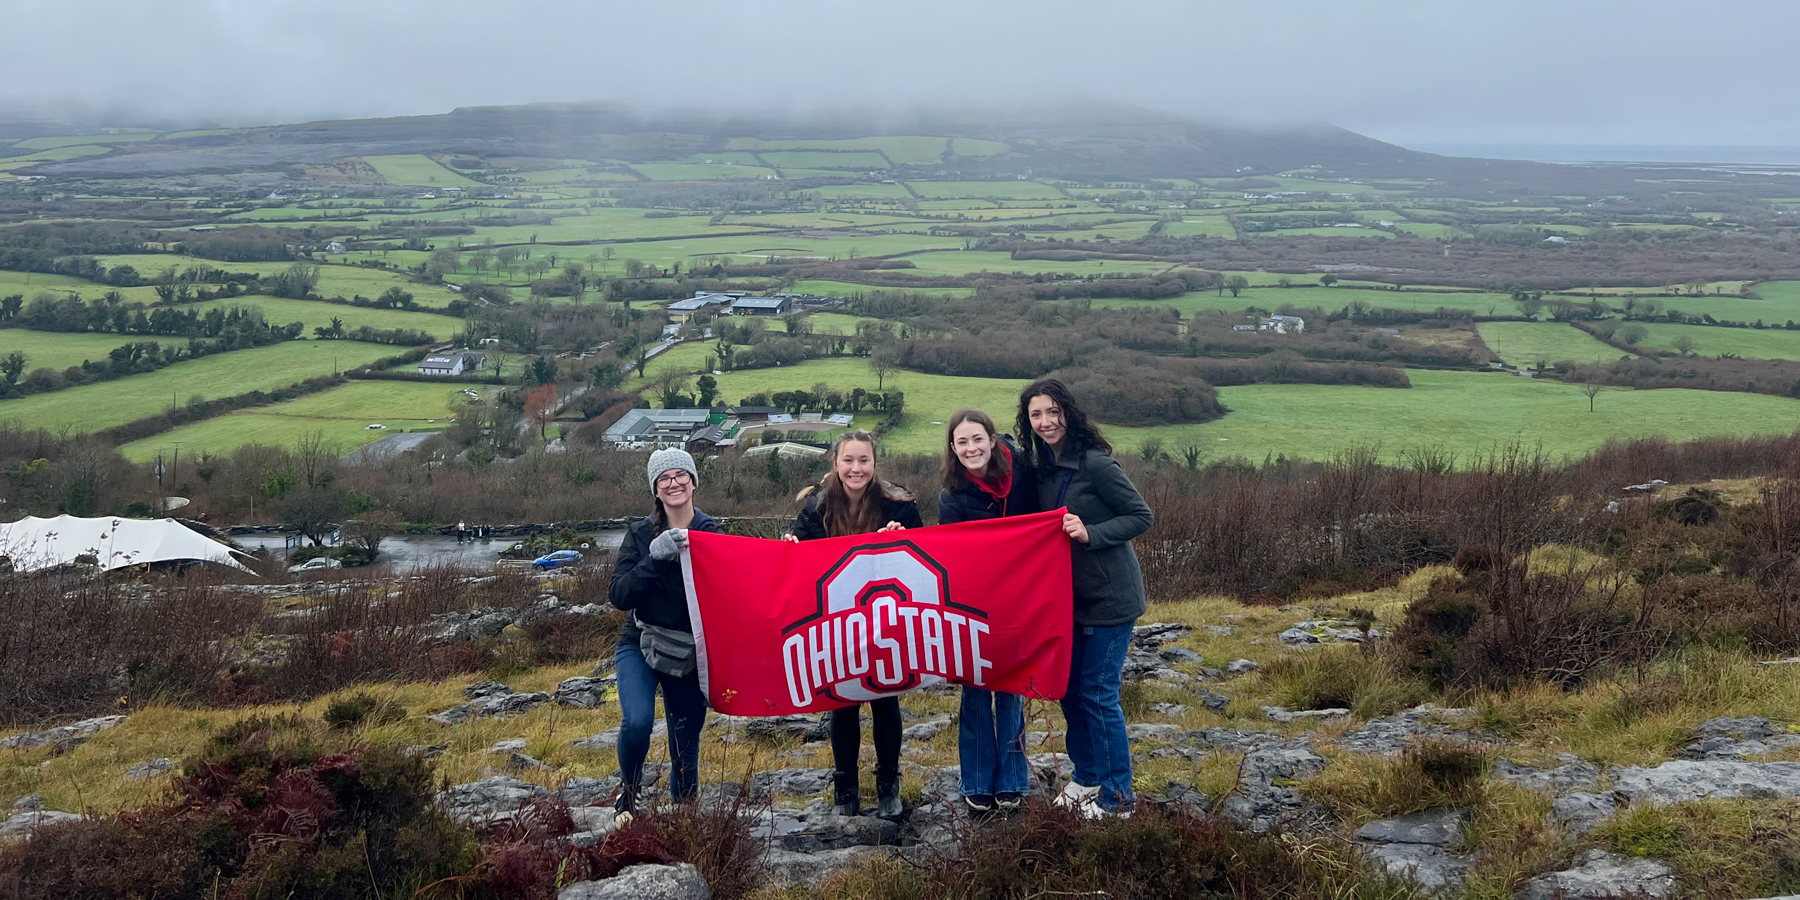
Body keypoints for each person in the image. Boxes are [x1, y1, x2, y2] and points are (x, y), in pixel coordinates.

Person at [1016, 378, 1153, 817]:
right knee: (1071, 692)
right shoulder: (1041, 468)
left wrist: (1091, 533)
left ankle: (1118, 798)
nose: (1045, 422)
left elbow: (1140, 515)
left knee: (1097, 694)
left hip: (1111, 600)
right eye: (1036, 414)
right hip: (1067, 603)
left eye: (1052, 412)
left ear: (1068, 413)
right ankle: (1088, 776)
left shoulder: (1096, 465)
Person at [786, 429, 923, 818]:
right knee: (841, 702)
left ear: (875, 464)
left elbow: (924, 559)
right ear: (835, 463)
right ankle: (845, 786)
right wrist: (792, 550)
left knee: (885, 698)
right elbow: (800, 561)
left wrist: (903, 539)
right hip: (837, 623)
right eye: (848, 460)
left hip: (886, 621)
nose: (856, 468)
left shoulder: (900, 506)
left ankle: (888, 785)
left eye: (863, 460)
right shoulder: (815, 507)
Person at [607, 447, 720, 824]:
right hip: (639, 642)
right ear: (656, 490)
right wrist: (654, 557)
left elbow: (737, 587)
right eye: (664, 479)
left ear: (693, 482)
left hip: (689, 651)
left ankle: (684, 811)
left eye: (680, 475)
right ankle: (628, 792)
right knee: (637, 721)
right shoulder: (639, 535)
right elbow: (619, 595)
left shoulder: (712, 533)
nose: (673, 483)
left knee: (685, 736)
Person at [937, 409, 1038, 815]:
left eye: (977, 439)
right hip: (974, 601)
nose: (971, 448)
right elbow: (953, 553)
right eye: (962, 442)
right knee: (976, 688)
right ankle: (977, 780)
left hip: (1021, 596)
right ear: (953, 449)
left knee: (1011, 687)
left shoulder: (1025, 474)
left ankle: (1012, 779)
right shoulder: (952, 495)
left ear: (993, 440)